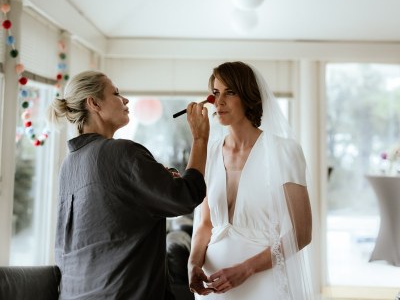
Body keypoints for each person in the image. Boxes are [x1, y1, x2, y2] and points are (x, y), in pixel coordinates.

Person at [47, 70, 209, 300]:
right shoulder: (121, 152)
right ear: (94, 103)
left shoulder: (69, 165)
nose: (125, 100)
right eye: (116, 93)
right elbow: (184, 198)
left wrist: (162, 176)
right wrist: (200, 139)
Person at [188, 61, 314, 299]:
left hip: (264, 284)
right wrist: (193, 263)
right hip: (216, 288)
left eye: (230, 92)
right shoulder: (211, 152)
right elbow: (205, 223)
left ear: (248, 96)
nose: (220, 101)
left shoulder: (283, 151)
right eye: (216, 93)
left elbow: (302, 232)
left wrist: (245, 270)